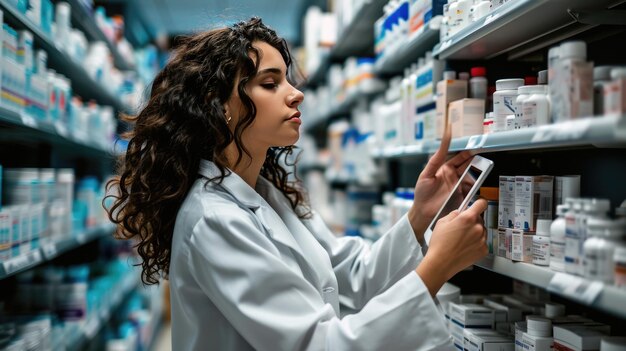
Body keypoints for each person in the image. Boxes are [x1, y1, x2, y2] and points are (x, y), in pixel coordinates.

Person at [105, 17, 488, 351]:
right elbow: (319, 345)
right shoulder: (214, 219)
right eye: (270, 83)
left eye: (287, 79)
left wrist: (420, 216)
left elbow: (347, 278)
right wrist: (436, 267)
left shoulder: (265, 192)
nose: (296, 93)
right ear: (219, 105)